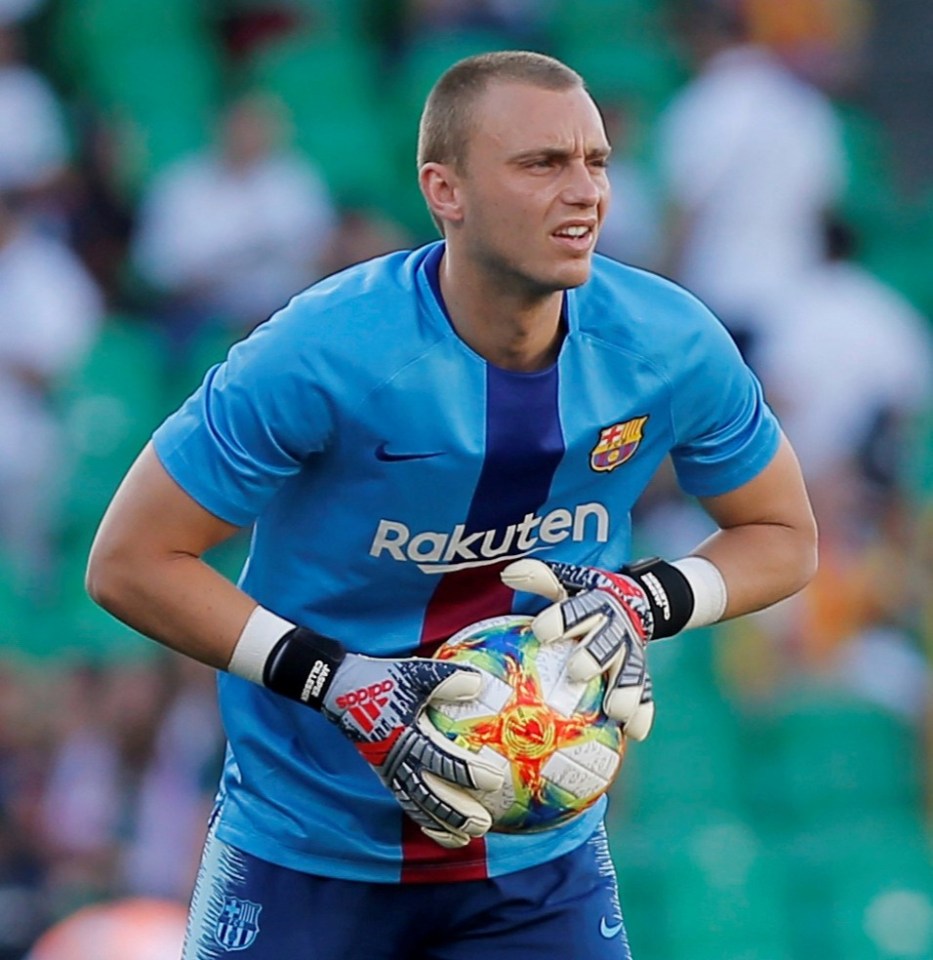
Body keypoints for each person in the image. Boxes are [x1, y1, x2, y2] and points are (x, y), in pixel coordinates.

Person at [86, 51, 817, 960]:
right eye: (541, 164)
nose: (584, 192)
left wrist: (643, 598)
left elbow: (784, 535)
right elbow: (128, 561)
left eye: (595, 162)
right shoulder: (322, 352)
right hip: (304, 852)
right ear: (446, 190)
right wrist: (338, 679)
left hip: (536, 865)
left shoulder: (669, 343)